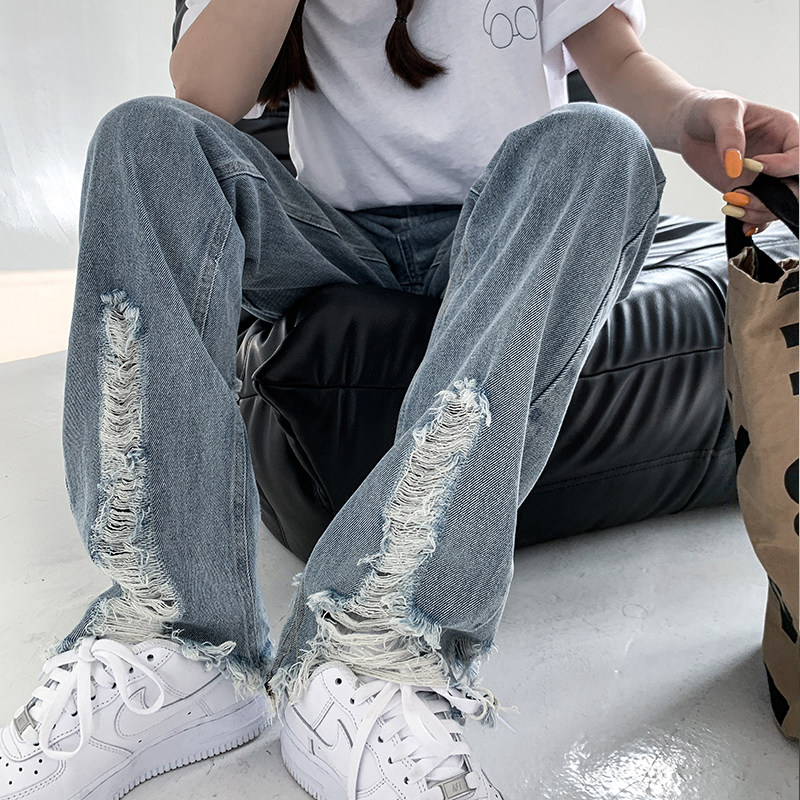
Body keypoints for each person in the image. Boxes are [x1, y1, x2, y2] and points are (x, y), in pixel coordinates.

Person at [1, 1, 797, 799]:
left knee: (603, 142)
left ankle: (370, 648)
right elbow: (204, 94)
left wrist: (696, 114)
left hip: (498, 230)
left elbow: (618, 64)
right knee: (142, 134)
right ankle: (179, 641)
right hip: (325, 236)